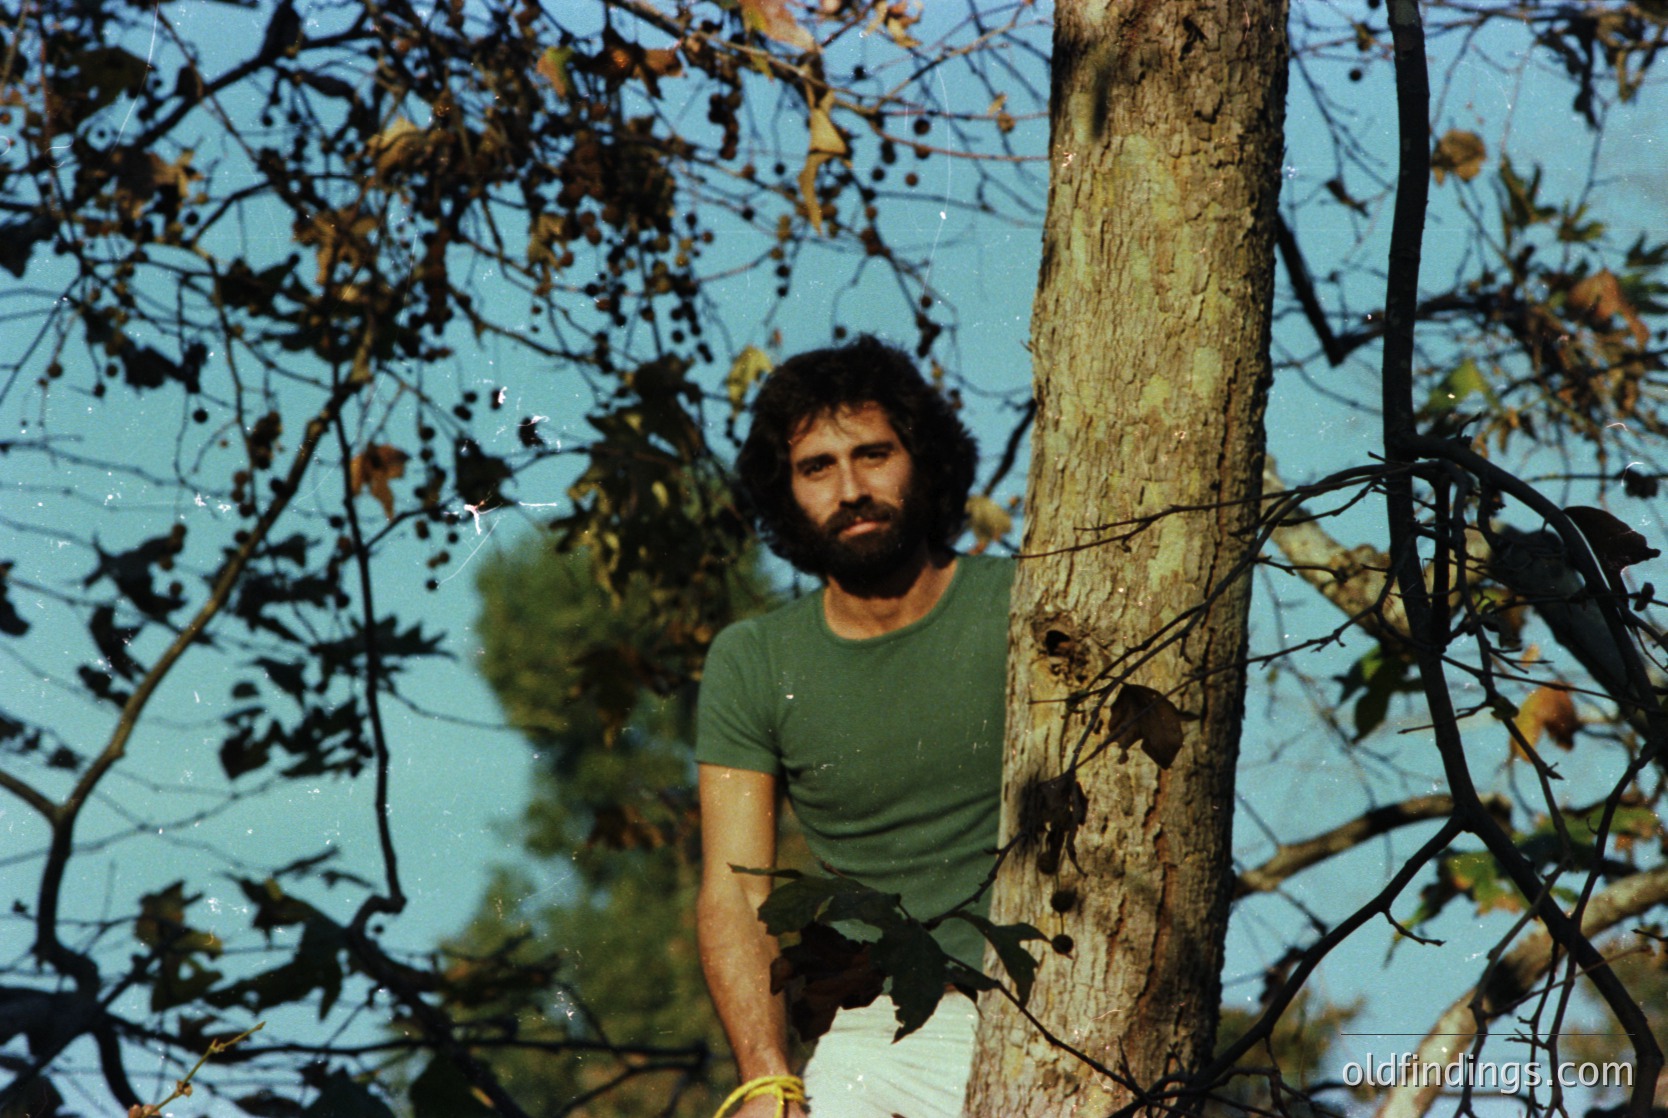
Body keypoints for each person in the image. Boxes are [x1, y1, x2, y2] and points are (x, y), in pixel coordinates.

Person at [695, 336, 1012, 1118]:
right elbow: (736, 893)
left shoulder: (1025, 602)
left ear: (924, 461)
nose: (850, 488)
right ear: (786, 492)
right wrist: (767, 1080)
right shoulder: (755, 660)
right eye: (817, 468)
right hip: (885, 1037)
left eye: (874, 455)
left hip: (1055, 1004)